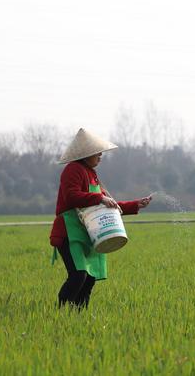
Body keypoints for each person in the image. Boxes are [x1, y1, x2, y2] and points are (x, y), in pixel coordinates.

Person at [50, 128, 152, 308]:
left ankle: (78, 317)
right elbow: (72, 196)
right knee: (78, 275)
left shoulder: (91, 174)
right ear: (86, 153)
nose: (101, 156)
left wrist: (136, 204)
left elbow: (108, 204)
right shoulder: (73, 169)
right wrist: (100, 198)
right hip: (69, 233)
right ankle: (60, 314)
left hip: (86, 232)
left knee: (89, 278)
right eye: (98, 152)